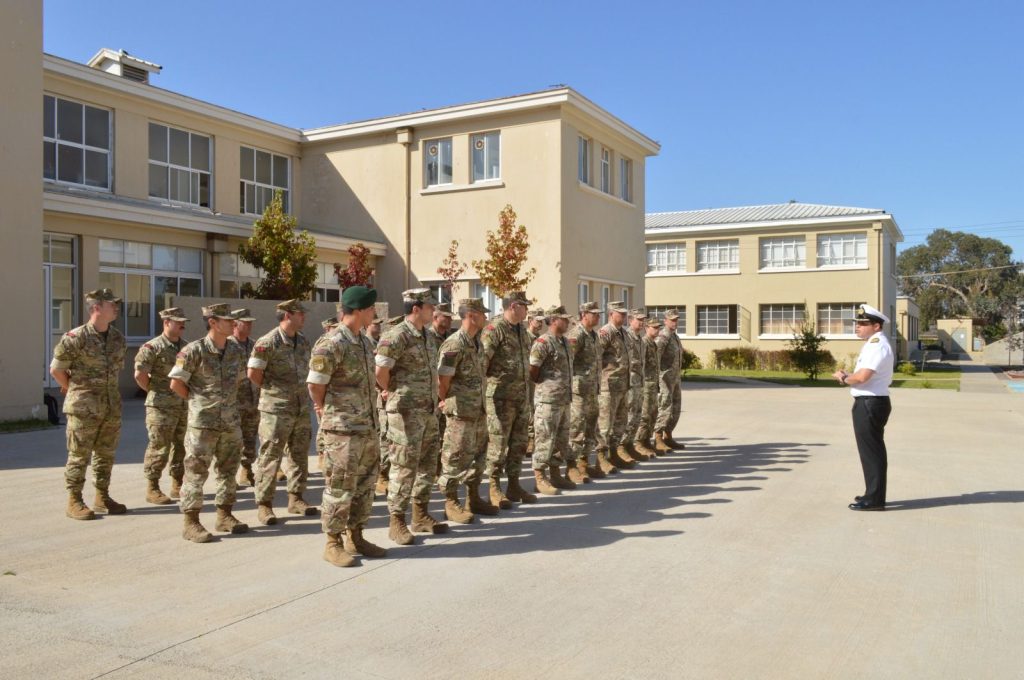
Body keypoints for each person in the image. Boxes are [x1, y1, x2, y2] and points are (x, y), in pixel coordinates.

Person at [307, 286, 387, 566]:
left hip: (366, 427)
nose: (374, 313)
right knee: (340, 487)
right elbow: (315, 385)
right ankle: (333, 542)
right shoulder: (331, 343)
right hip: (342, 430)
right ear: (360, 310)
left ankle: (356, 536)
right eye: (371, 308)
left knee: (364, 486)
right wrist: (325, 410)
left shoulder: (363, 342)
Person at [169, 303, 249, 542]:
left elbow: (239, 381)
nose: (233, 324)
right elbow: (176, 383)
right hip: (202, 425)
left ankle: (224, 515)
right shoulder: (194, 350)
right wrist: (199, 403)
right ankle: (191, 522)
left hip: (230, 422)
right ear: (213, 322)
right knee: (195, 472)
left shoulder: (236, 350)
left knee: (228, 471)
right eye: (227, 320)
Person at [375, 289, 448, 544]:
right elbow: (380, 372)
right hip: (405, 414)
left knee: (427, 465)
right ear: (416, 308)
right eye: (429, 307)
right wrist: (393, 392)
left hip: (427, 412)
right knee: (403, 467)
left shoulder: (427, 336)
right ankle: (396, 521)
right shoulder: (396, 336)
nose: (433, 311)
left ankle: (420, 515)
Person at [50, 288, 128, 520]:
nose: (116, 308)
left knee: (106, 454)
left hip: (110, 406)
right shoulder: (75, 338)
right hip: (83, 408)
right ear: (96, 308)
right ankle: (74, 500)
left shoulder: (117, 338)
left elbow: (116, 370)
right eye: (111, 304)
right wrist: (76, 390)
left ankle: (102, 496)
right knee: (79, 455)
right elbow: (56, 370)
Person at [248, 299, 316, 525]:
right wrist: (274, 393)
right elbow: (253, 373)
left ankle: (296, 498)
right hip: (276, 410)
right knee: (270, 456)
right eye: (299, 313)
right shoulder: (267, 342)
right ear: (287, 315)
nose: (303, 317)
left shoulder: (303, 341)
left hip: (300, 407)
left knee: (299, 454)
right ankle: (264, 505)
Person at [436, 298, 498, 523]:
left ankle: (473, 498)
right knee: (455, 457)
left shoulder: (477, 342)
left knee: (478, 457)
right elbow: (442, 380)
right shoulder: (454, 344)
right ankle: (451, 502)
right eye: (482, 314)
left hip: (478, 410)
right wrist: (445, 401)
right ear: (471, 315)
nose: (486, 317)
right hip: (461, 412)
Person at [833, 304, 895, 511]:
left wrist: (843, 378)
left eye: (863, 323)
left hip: (870, 403)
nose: (857, 327)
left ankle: (875, 499)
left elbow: (862, 377)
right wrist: (849, 376)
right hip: (870, 402)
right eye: (857, 323)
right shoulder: (873, 344)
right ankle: (872, 493)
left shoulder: (877, 345)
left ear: (876, 326)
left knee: (871, 452)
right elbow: (863, 375)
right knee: (870, 451)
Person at [481, 291, 538, 508]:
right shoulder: (495, 330)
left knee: (519, 443)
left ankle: (514, 485)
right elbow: (482, 363)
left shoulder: (522, 330)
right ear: (513, 306)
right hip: (500, 398)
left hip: (521, 396)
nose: (527, 310)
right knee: (498, 444)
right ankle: (493, 487)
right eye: (524, 306)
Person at [134, 307, 189, 504]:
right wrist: (154, 391)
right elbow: (140, 375)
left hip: (182, 405)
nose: (182, 325)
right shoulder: (152, 347)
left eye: (183, 322)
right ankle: (153, 486)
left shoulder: (186, 348)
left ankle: (177, 483)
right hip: (160, 406)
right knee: (159, 446)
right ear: (166, 322)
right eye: (178, 322)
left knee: (182, 445)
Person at [529, 306, 576, 495]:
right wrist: (545, 386)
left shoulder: (564, 342)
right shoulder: (543, 342)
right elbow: (533, 369)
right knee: (545, 438)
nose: (568, 322)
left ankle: (555, 474)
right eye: (564, 319)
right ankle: (540, 477)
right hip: (548, 399)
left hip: (564, 399)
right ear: (554, 320)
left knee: (561, 439)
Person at [596, 301, 634, 472]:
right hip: (608, 386)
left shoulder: (624, 333)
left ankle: (614, 453)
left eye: (625, 313)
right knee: (605, 424)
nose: (624, 316)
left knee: (620, 422)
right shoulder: (605, 333)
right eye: (621, 313)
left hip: (623, 385)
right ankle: (601, 459)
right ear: (611, 314)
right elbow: (597, 357)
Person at [567, 302, 603, 481]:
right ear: (584, 314)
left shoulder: (594, 335)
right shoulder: (576, 334)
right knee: (577, 428)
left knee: (590, 427)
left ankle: (584, 464)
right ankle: (571, 466)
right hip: (579, 391)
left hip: (592, 390)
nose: (598, 316)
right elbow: (568, 362)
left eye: (598, 314)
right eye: (594, 314)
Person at [229, 308, 259, 487]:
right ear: (235, 324)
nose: (249, 326)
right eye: (245, 323)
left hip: (252, 401)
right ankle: (228, 476)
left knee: (250, 437)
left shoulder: (255, 345)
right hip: (232, 403)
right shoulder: (227, 346)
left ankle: (246, 470)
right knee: (231, 441)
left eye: (250, 323)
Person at [655, 309, 686, 452]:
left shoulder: (674, 336)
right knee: (665, 408)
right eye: (672, 320)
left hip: (675, 379)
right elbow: (655, 357)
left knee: (675, 409)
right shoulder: (663, 336)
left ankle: (668, 437)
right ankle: (658, 438)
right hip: (665, 379)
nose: (675, 322)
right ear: (665, 321)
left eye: (676, 320)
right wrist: (657, 378)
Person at [622, 309, 651, 461]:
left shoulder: (640, 339)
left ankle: (630, 445)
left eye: (643, 320)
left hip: (639, 382)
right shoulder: (626, 337)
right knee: (629, 415)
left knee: (637, 415)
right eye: (638, 319)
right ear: (630, 320)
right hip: (630, 383)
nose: (641, 322)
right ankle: (622, 446)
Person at [636, 317, 663, 456]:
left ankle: (647, 441)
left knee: (653, 413)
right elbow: (640, 365)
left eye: (658, 327)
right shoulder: (644, 343)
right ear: (647, 328)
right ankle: (639, 443)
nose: (657, 330)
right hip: (646, 384)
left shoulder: (653, 343)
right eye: (654, 327)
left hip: (653, 384)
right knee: (645, 415)